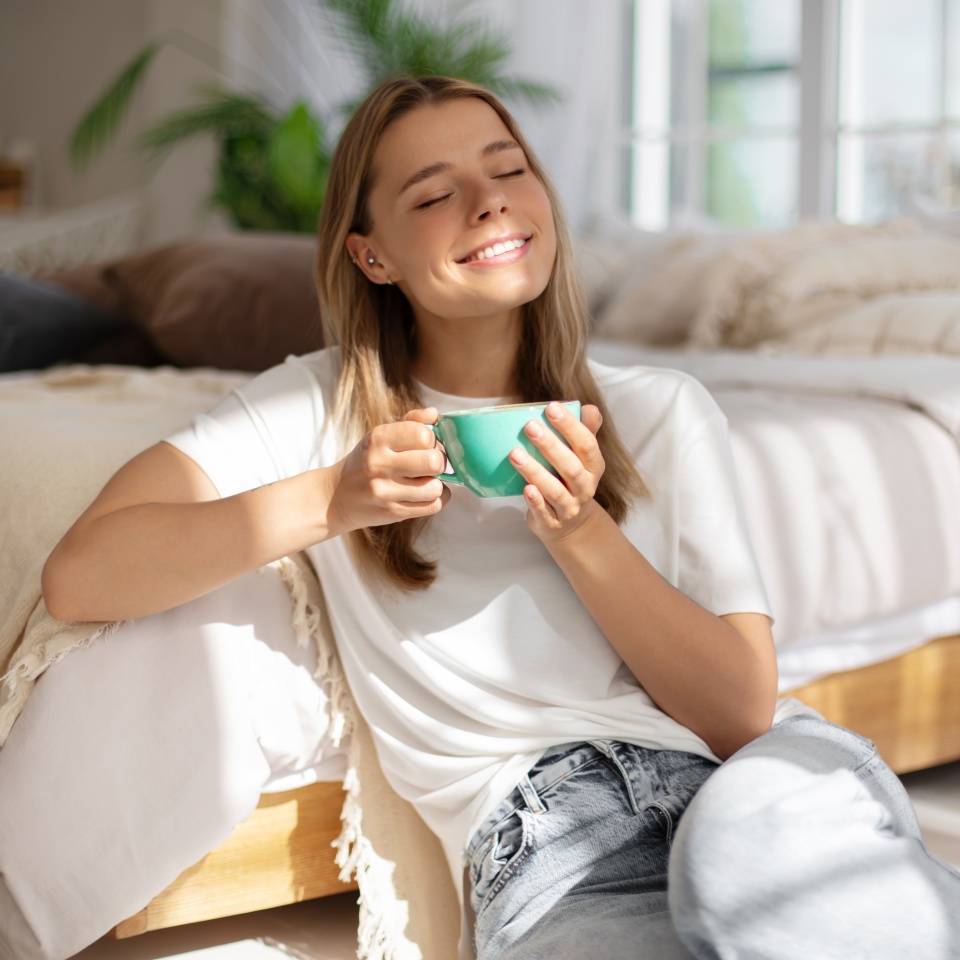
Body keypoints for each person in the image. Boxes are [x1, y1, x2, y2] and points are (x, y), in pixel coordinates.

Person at [25, 75, 960, 960]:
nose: (488, 202)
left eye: (508, 169)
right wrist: (330, 499)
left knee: (744, 865)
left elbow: (739, 713)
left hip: (748, 795)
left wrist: (581, 530)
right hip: (552, 857)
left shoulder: (664, 410)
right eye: (434, 194)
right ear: (371, 253)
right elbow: (84, 573)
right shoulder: (316, 412)